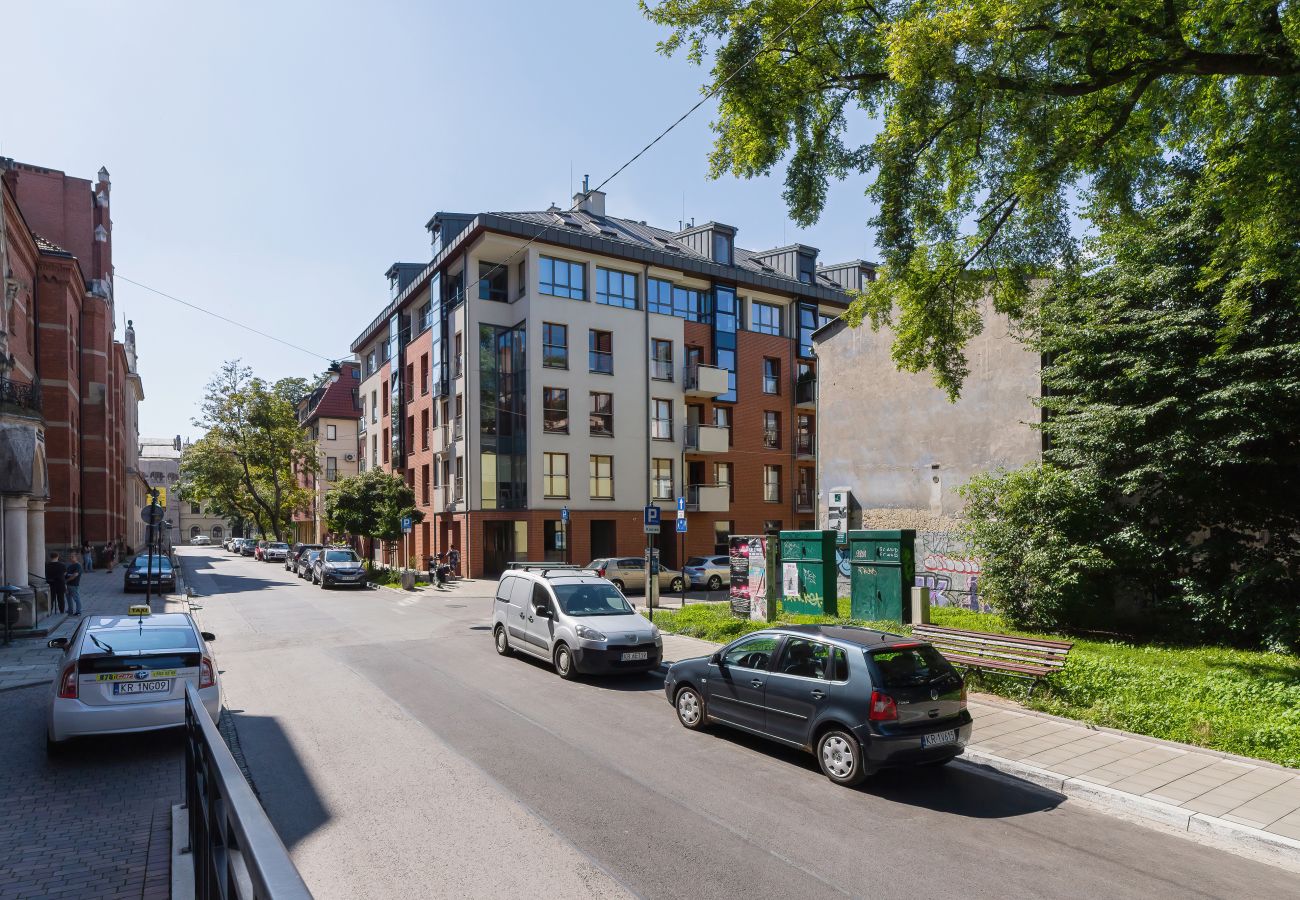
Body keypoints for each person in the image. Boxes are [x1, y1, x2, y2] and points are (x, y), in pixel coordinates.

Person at [64, 551, 83, 616]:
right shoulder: (70, 565)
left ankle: (78, 611)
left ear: (76, 558)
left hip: (73, 585)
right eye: (70, 556)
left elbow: (75, 575)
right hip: (67, 585)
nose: (71, 558)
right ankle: (70, 610)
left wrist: (66, 580)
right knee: (68, 598)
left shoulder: (78, 566)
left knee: (76, 598)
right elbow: (65, 573)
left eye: (72, 557)